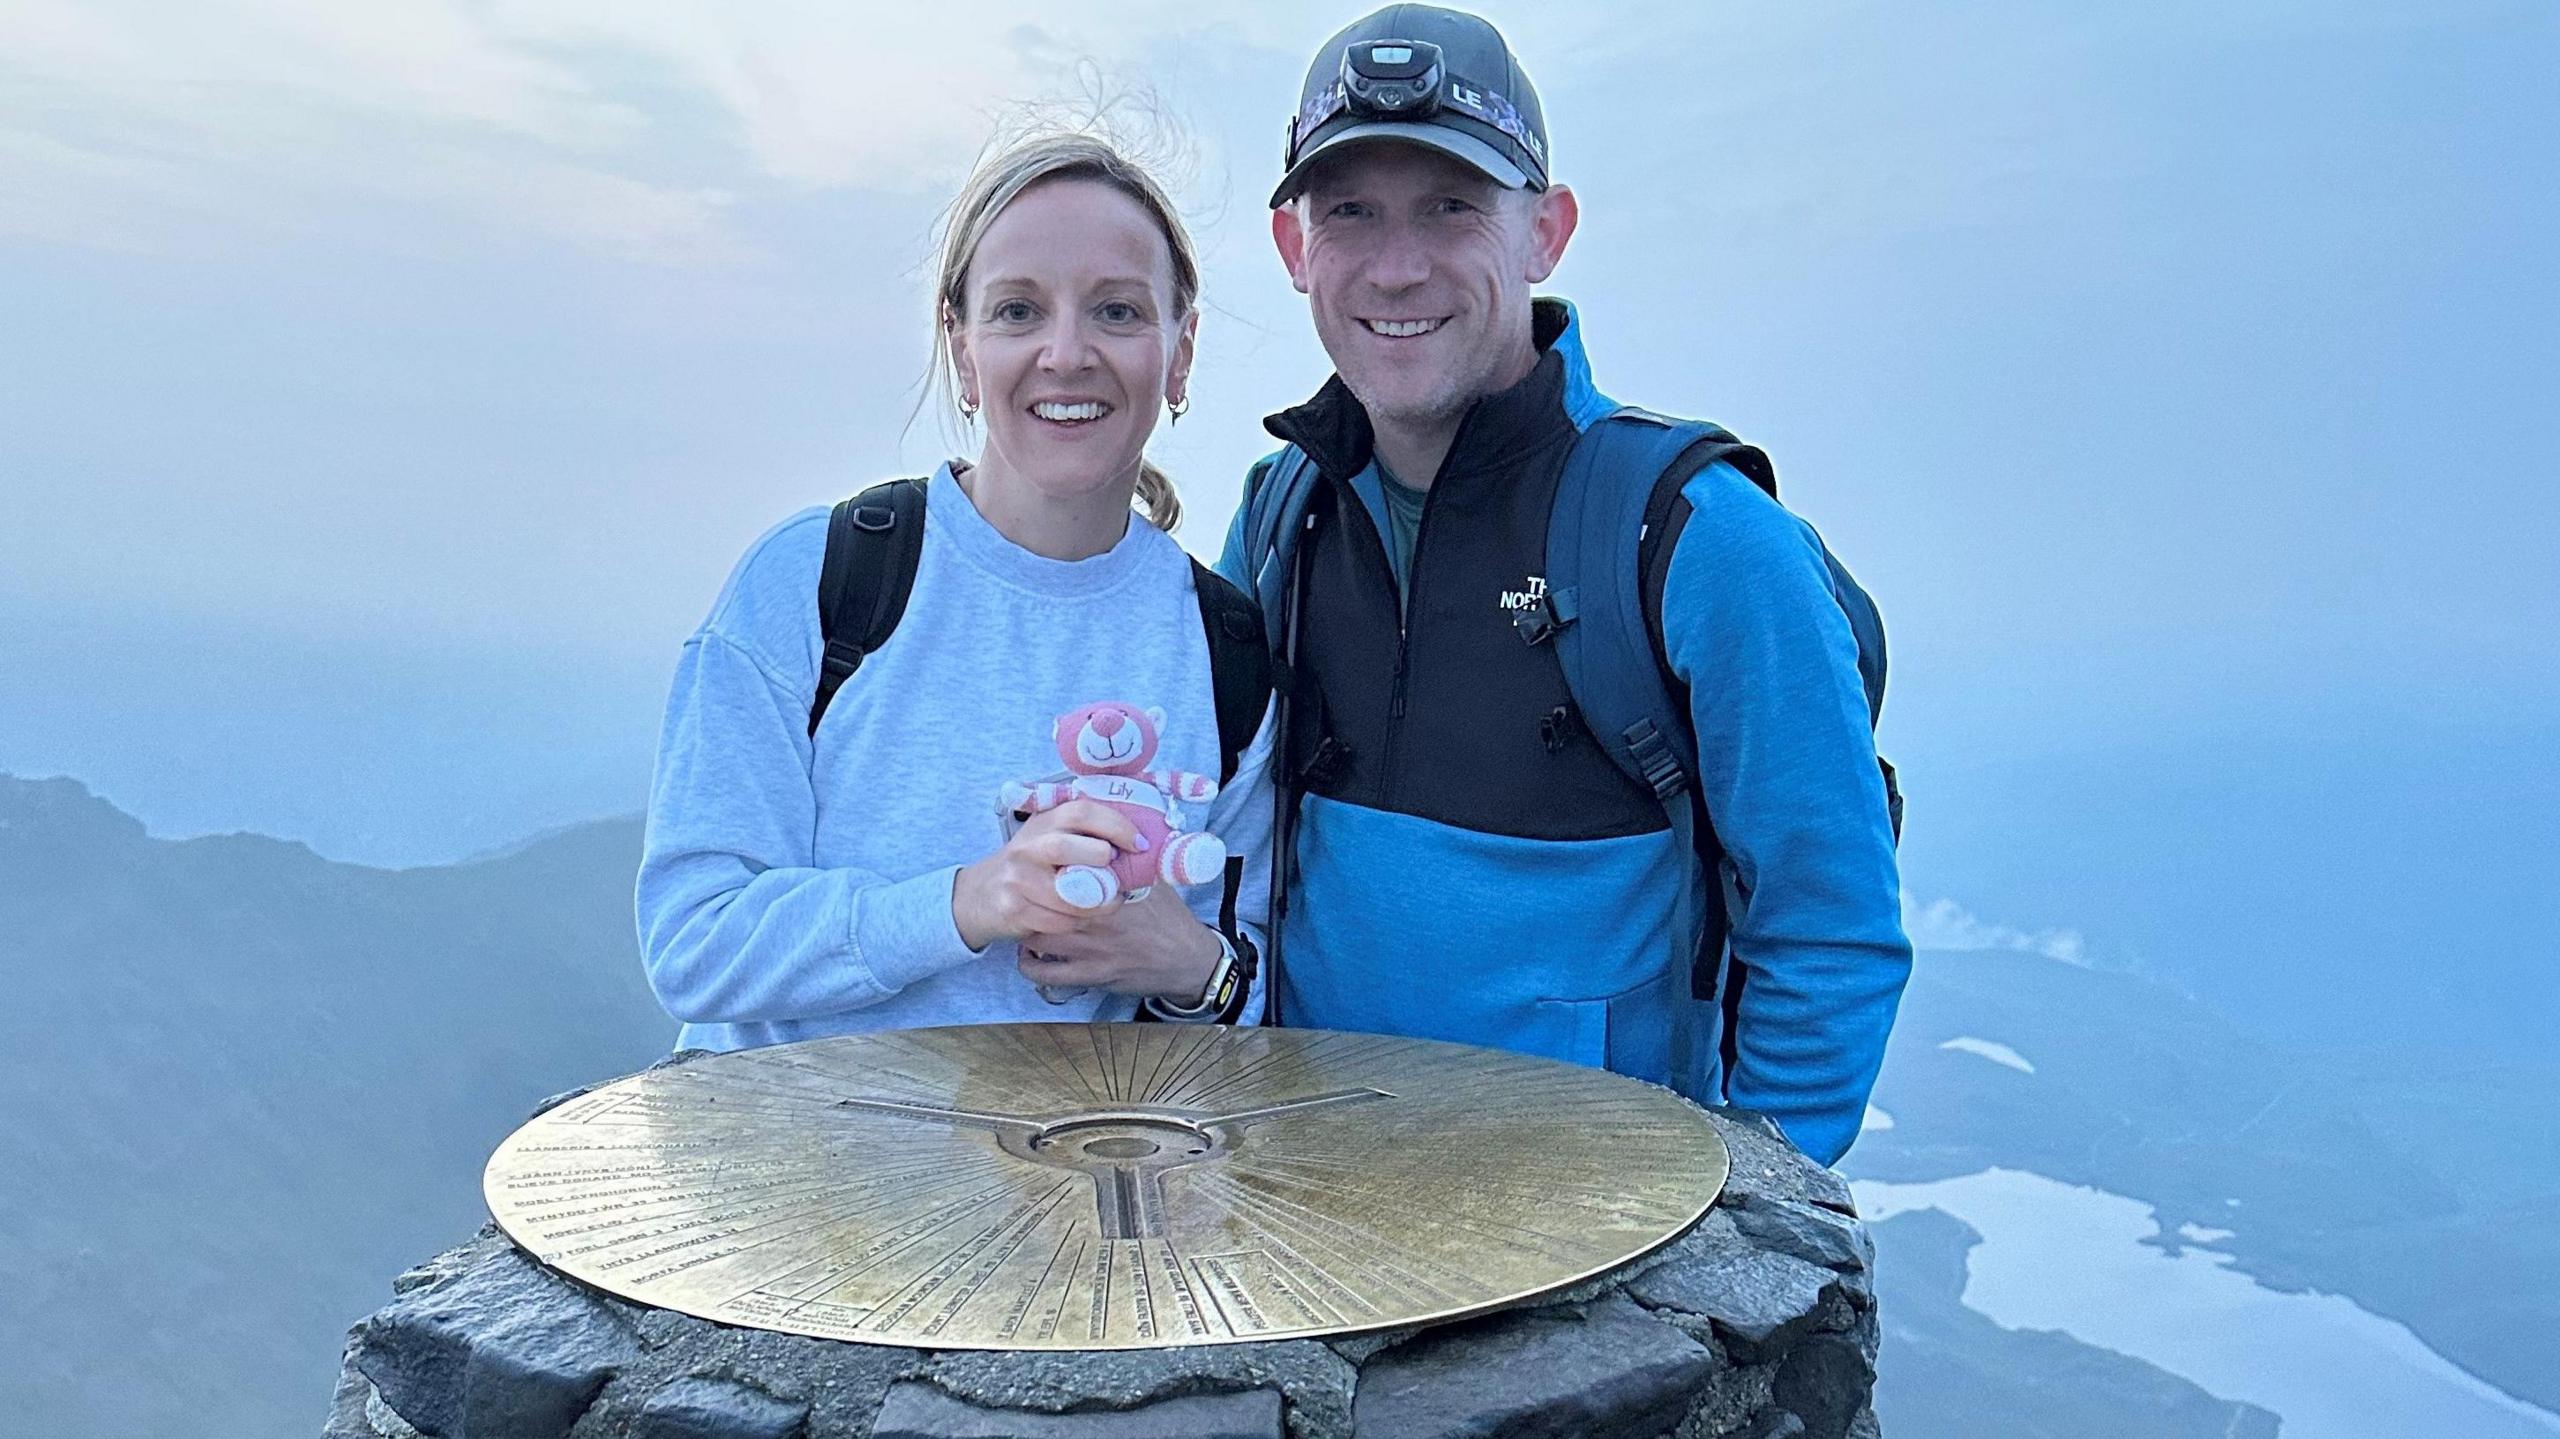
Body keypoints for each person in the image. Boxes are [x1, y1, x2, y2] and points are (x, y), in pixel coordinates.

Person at [1218, 6, 1909, 1165]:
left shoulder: (1695, 537)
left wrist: (1749, 1211)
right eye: (1351, 211)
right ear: (1294, 248)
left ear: (1546, 230)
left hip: (1592, 1257)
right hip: (1309, 1215)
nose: (1397, 264)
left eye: (1451, 205)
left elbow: (1827, 924)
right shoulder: (1281, 516)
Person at [637, 129, 1272, 1053]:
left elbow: (1245, 995)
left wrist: (1189, 966)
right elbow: (692, 937)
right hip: (779, 1188)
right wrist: (967, 902)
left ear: (1180, 354)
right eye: (1018, 311)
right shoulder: (820, 581)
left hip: (1063, 1193)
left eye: (1119, 312)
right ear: (962, 348)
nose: (1066, 353)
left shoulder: (1224, 652)